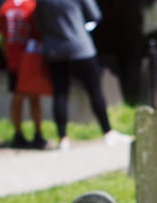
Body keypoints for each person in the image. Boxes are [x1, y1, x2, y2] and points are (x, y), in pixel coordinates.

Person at [32, 0, 129, 150]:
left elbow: (39, 24)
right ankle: (107, 132)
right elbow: (95, 15)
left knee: (60, 93)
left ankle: (63, 138)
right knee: (94, 89)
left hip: (55, 50)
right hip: (80, 46)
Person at [0, 0, 47, 149]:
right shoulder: (32, 6)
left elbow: (3, 37)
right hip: (30, 58)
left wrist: (8, 56)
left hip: (17, 58)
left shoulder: (6, 7)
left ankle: (24, 134)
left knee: (21, 97)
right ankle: (33, 134)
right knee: (31, 97)